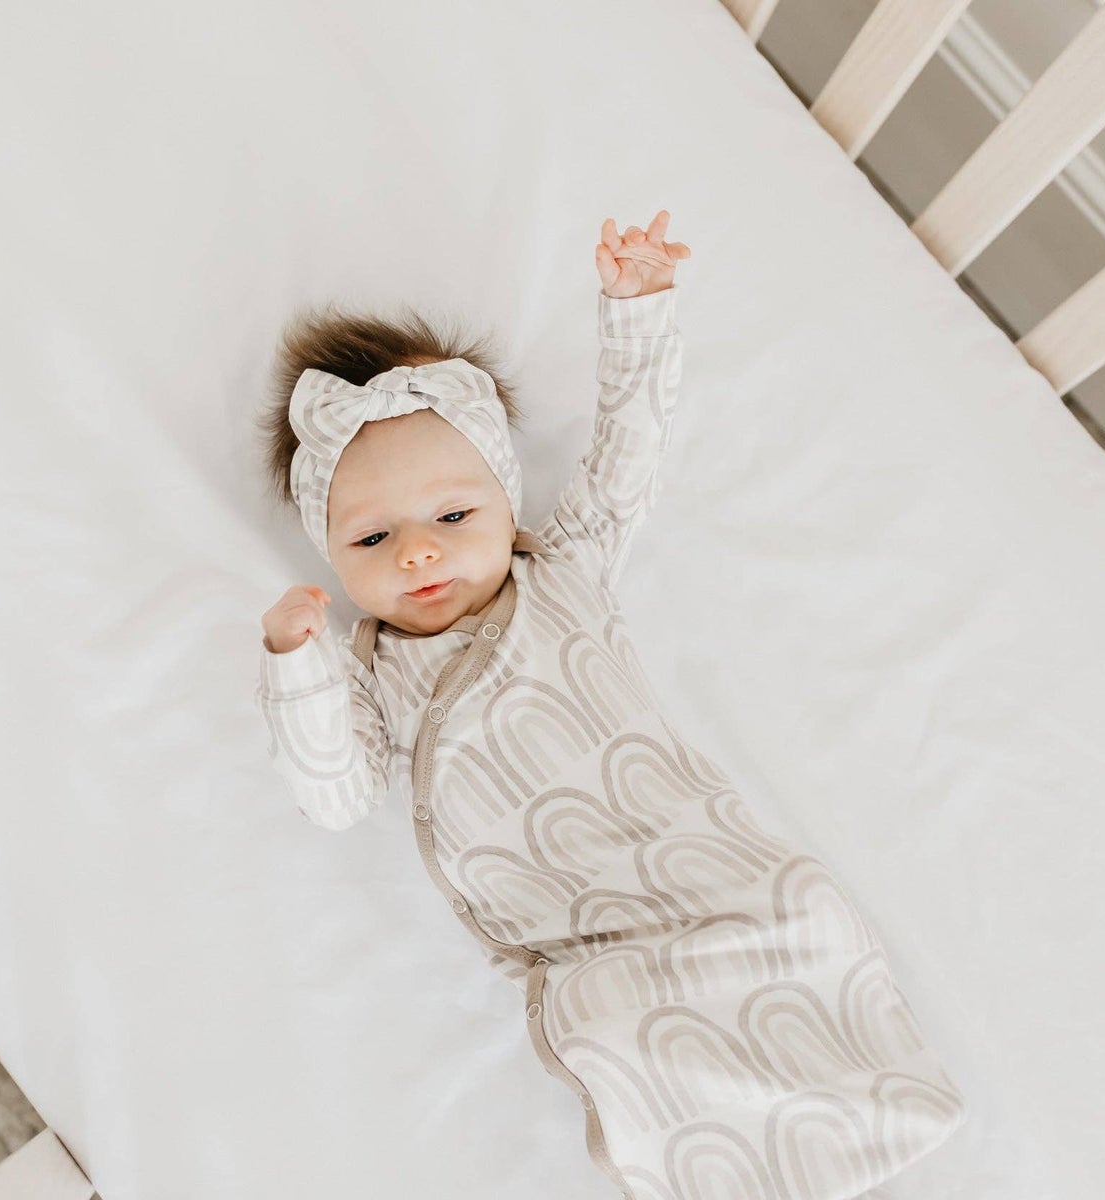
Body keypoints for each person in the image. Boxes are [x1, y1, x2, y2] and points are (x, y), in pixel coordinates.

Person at [253, 211, 966, 1200]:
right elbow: (336, 796)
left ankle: (866, 1124)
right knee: (619, 1022)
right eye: (373, 540)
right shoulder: (368, 674)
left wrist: (638, 311)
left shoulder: (568, 566)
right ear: (331, 556)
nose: (419, 551)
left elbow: (630, 453)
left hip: (694, 859)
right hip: (573, 927)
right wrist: (297, 668)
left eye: (453, 515)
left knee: (797, 916)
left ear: (507, 502)